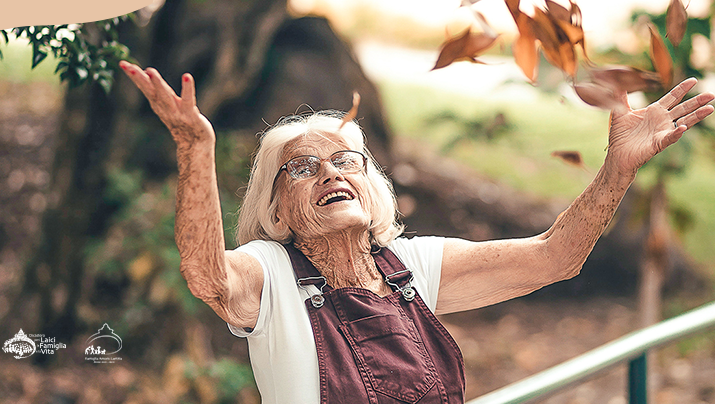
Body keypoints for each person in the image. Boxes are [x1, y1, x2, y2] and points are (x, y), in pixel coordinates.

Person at [118, 60, 714, 404]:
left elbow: (554, 257)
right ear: (276, 208)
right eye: (301, 168)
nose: (329, 172)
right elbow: (206, 274)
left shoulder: (416, 266)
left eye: (344, 160)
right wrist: (197, 150)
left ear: (369, 182)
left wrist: (616, 170)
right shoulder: (269, 274)